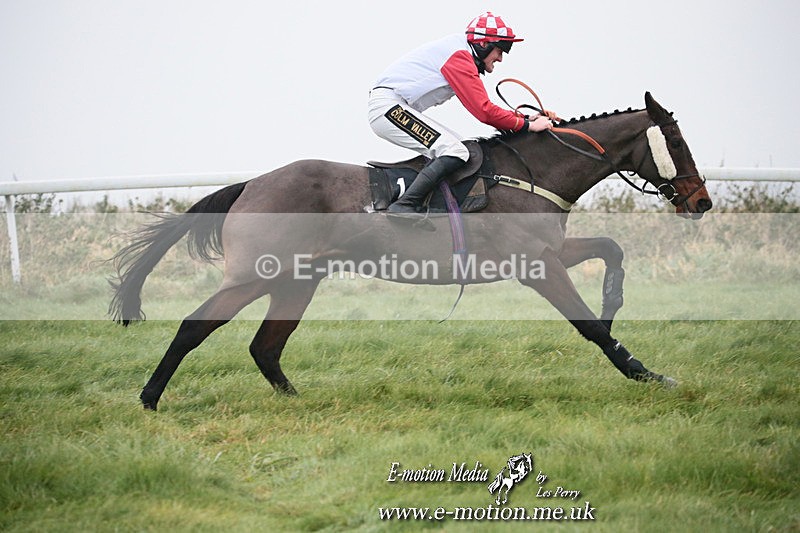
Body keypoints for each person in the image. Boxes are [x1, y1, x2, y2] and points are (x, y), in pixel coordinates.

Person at [368, 11, 558, 217]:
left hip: (394, 106)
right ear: (483, 44)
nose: (501, 58)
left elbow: (483, 106)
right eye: (501, 50)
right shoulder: (459, 57)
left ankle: (426, 205)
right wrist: (528, 126)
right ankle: (404, 205)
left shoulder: (459, 53)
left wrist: (526, 118)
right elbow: (484, 111)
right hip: (388, 108)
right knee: (456, 151)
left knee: (466, 151)